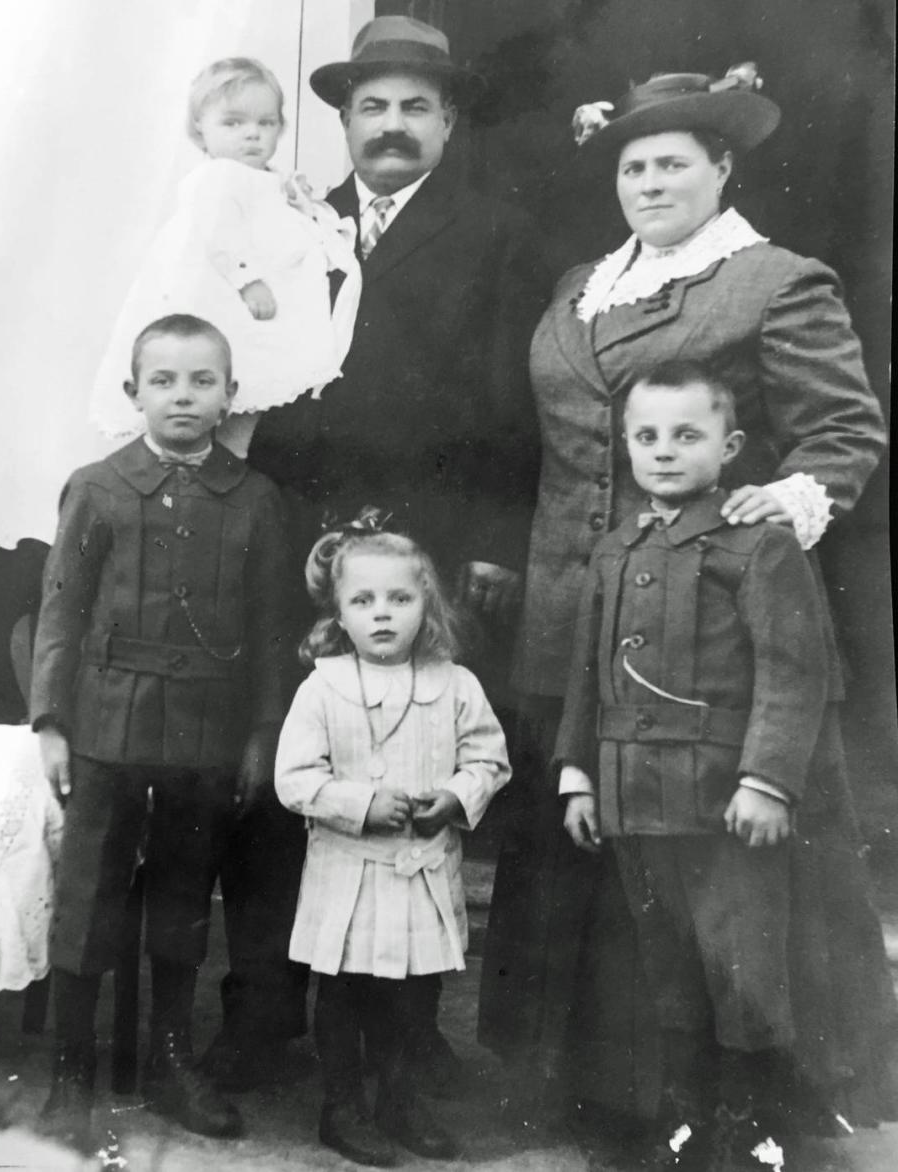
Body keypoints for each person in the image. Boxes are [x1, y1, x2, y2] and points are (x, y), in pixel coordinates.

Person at [478, 68, 893, 1139]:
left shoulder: (774, 280)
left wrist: (782, 504)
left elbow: (845, 434)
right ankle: (590, 1092)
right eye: (633, 165)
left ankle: (754, 1107)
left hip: (711, 628)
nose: (651, 181)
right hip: (580, 610)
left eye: (673, 162)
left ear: (722, 169)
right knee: (587, 850)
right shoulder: (581, 282)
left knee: (727, 878)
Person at [225, 13, 550, 1090]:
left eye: (417, 106)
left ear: (450, 124)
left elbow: (514, 404)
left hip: (431, 545)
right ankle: (264, 1014)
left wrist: (493, 543)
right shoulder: (300, 223)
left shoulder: (496, 233)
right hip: (299, 534)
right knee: (294, 761)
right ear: (346, 122)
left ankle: (406, 1031)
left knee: (410, 773)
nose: (394, 125)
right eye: (374, 107)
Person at [558, 362, 828, 1169]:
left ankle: (754, 1132)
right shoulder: (616, 548)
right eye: (646, 437)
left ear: (730, 444)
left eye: (687, 435)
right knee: (667, 963)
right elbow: (586, 670)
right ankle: (685, 1122)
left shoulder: (759, 546)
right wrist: (578, 774)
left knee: (742, 966)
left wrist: (767, 780)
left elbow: (792, 670)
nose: (664, 452)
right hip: (632, 794)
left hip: (722, 800)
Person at [29, 313, 288, 1149]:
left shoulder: (256, 500)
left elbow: (271, 632)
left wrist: (259, 737)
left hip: (207, 737)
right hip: (106, 727)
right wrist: (51, 724)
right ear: (133, 391)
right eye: (165, 381)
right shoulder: (97, 487)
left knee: (182, 901)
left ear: (230, 396)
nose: (184, 396)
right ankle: (71, 1077)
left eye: (203, 381)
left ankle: (173, 1066)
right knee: (87, 904)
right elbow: (60, 616)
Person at [275, 511, 510, 1165]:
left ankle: (400, 1103)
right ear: (339, 615)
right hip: (346, 870)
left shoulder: (456, 684)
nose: (382, 615)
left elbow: (489, 759)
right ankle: (342, 1106)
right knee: (346, 992)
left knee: (413, 998)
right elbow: (294, 779)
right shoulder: (322, 687)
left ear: (425, 606)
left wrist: (457, 796)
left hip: (421, 870)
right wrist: (360, 804)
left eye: (400, 599)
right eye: (363, 601)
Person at [89, 57, 361, 457]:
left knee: (247, 396)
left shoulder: (262, 178)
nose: (251, 135)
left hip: (256, 319)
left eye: (265, 123)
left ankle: (230, 465)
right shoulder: (218, 178)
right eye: (233, 123)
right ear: (200, 127)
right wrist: (246, 279)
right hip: (224, 302)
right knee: (220, 392)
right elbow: (220, 235)